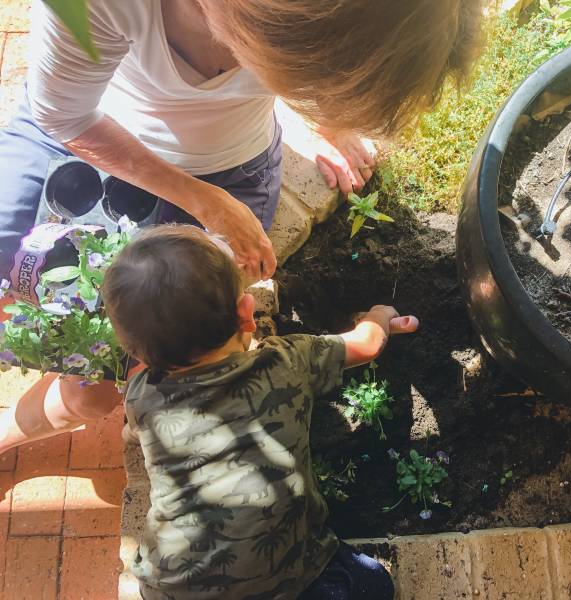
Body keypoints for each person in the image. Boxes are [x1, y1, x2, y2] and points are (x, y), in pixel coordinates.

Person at [0, 0, 481, 451]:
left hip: (229, 164)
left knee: (97, 390)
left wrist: (331, 115)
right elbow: (62, 112)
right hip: (80, 135)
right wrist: (207, 203)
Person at [99, 224, 418, 599]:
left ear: (135, 354)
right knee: (373, 584)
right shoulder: (286, 362)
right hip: (285, 576)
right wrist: (380, 316)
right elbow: (365, 345)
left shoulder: (141, 397)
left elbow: (136, 425)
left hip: (174, 588)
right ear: (247, 315)